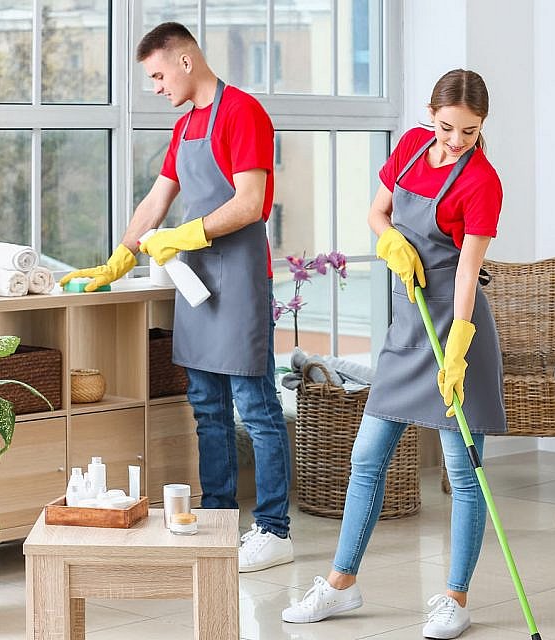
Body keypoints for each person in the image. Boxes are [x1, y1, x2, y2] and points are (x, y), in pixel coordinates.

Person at [59, 22, 294, 572]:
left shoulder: (242, 112)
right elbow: (158, 197)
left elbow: (252, 202)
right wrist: (121, 255)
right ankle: (216, 520)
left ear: (186, 62)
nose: (158, 87)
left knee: (257, 410)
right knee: (207, 410)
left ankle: (274, 529)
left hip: (238, 281)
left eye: (159, 75)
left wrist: (189, 235)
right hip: (197, 286)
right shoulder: (186, 123)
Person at [280, 69, 505, 640]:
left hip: (455, 327)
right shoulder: (408, 148)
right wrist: (390, 241)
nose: (455, 141)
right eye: (446, 127)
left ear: (482, 128)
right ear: (431, 116)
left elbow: (467, 274)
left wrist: (458, 349)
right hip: (408, 329)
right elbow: (377, 212)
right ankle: (340, 585)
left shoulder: (482, 182)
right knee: (366, 458)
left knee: (463, 473)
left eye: (469, 132)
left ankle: (455, 598)